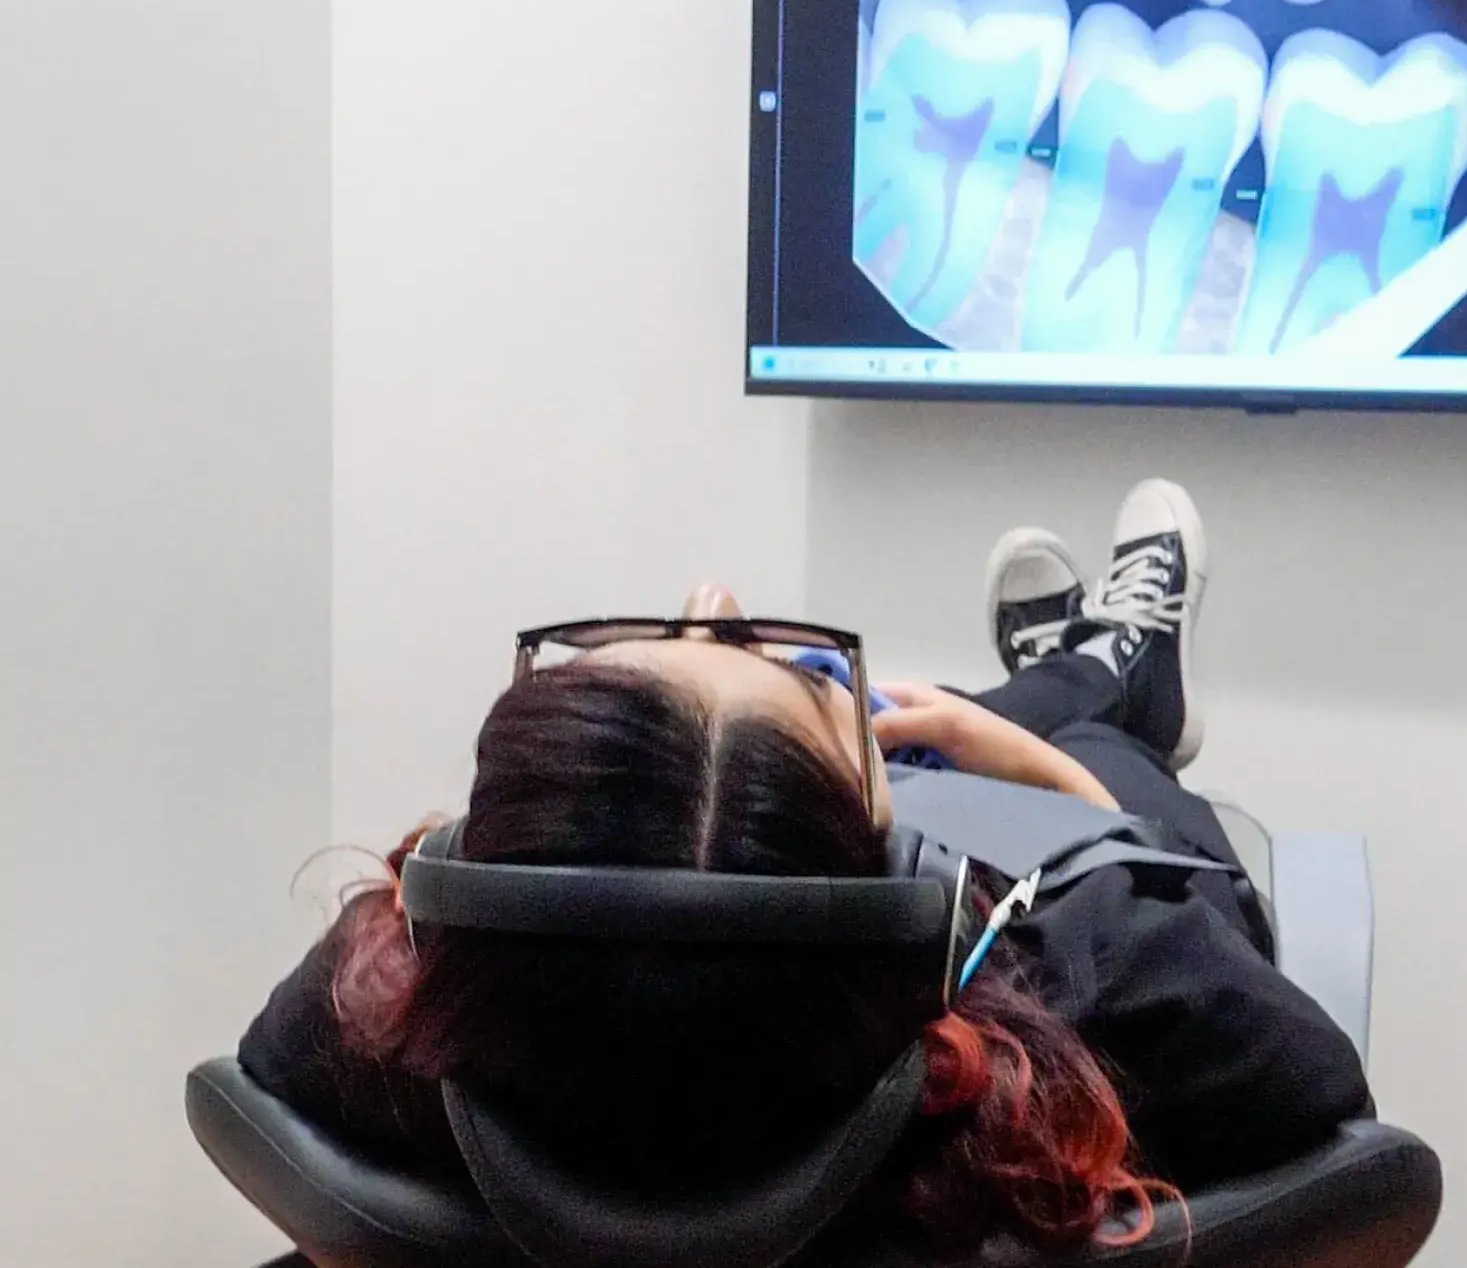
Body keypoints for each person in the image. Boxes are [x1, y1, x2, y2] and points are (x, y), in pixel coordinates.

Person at [240, 479, 1370, 1261]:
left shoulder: (374, 1044)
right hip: (1080, 826)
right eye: (816, 688)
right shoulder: (1091, 963)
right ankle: (1109, 695)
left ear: (454, 885)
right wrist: (1065, 800)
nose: (716, 606)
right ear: (909, 878)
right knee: (1086, 752)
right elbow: (1329, 1115)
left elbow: (273, 1060)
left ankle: (1078, 666)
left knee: (938, 719)